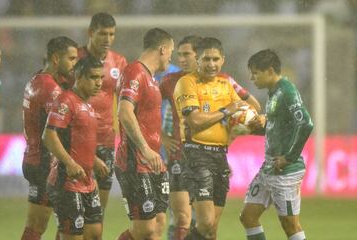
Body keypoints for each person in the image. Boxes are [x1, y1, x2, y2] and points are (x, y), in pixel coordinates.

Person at [160, 35, 261, 240]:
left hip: (219, 156)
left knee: (210, 229)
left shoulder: (226, 83)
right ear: (199, 60)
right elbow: (194, 120)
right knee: (193, 220)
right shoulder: (183, 82)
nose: (211, 64)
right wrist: (226, 112)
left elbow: (250, 110)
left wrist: (248, 124)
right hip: (194, 155)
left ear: (222, 59)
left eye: (215, 59)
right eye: (206, 59)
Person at [240, 49, 314, 240]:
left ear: (270, 71)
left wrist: (289, 157)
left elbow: (306, 123)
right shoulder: (274, 93)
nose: (251, 77)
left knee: (290, 225)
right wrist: (252, 129)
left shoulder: (286, 91)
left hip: (286, 172)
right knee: (248, 217)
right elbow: (278, 128)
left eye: (255, 72)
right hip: (269, 167)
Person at [114, 27, 174, 240]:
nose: (170, 58)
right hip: (134, 160)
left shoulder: (150, 77)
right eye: (171, 53)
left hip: (151, 161)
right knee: (145, 229)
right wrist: (146, 149)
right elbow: (124, 112)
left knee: (158, 224)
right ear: (162, 49)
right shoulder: (135, 71)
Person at [21, 36, 78, 240]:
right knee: (39, 225)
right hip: (45, 162)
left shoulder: (38, 79)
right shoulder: (50, 88)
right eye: (71, 59)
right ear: (56, 59)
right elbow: (62, 126)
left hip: (36, 158)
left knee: (65, 221)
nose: (74, 65)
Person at [43, 56, 105, 240]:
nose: (99, 83)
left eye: (101, 77)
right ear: (79, 77)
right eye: (94, 77)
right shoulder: (66, 101)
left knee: (94, 234)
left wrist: (94, 161)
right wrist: (70, 163)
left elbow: (78, 140)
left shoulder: (87, 105)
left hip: (87, 181)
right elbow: (49, 135)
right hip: (66, 181)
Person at [78, 12, 128, 213]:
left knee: (98, 213)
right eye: (102, 34)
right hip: (77, 141)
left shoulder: (118, 62)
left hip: (106, 141)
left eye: (111, 34)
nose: (107, 39)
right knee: (74, 214)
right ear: (90, 32)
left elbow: (126, 103)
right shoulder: (75, 58)